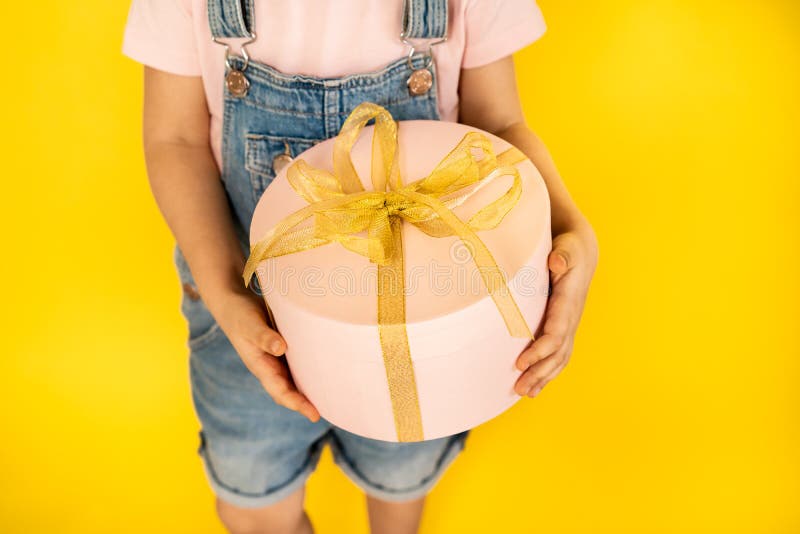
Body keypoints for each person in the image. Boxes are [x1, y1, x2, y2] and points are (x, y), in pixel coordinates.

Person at [121, 1, 598, 532]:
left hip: (420, 319)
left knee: (401, 473)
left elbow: (498, 122)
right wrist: (226, 295)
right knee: (253, 492)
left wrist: (573, 227)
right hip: (243, 305)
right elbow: (176, 140)